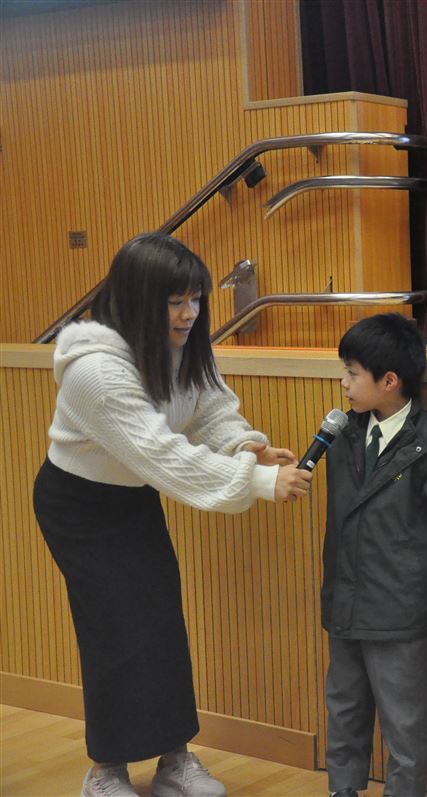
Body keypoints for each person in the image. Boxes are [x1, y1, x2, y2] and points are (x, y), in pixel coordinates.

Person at [31, 233, 312, 797]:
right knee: (113, 628)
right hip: (78, 506)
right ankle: (105, 772)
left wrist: (246, 446)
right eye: (175, 302)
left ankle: (174, 760)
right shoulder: (96, 372)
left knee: (160, 622)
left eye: (195, 299)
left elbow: (211, 407)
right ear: (138, 300)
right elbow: (163, 456)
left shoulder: (179, 343)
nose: (190, 314)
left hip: (130, 497)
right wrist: (259, 481)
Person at [321, 313, 427, 797]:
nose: (344, 383)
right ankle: (342, 789)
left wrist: (418, 582)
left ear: (389, 381)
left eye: (352, 374)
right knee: (343, 708)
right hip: (346, 602)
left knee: (403, 723)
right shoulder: (343, 435)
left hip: (399, 611)